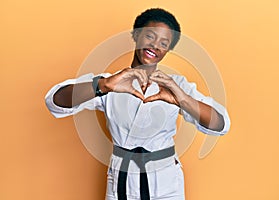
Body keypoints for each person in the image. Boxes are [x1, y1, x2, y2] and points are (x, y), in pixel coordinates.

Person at [45, 8, 230, 200]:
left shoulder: (177, 86)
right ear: (136, 35)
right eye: (150, 36)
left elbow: (221, 124)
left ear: (168, 49)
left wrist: (181, 99)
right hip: (121, 182)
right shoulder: (111, 82)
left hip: (167, 184)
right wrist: (103, 85)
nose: (155, 46)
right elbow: (55, 100)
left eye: (164, 43)